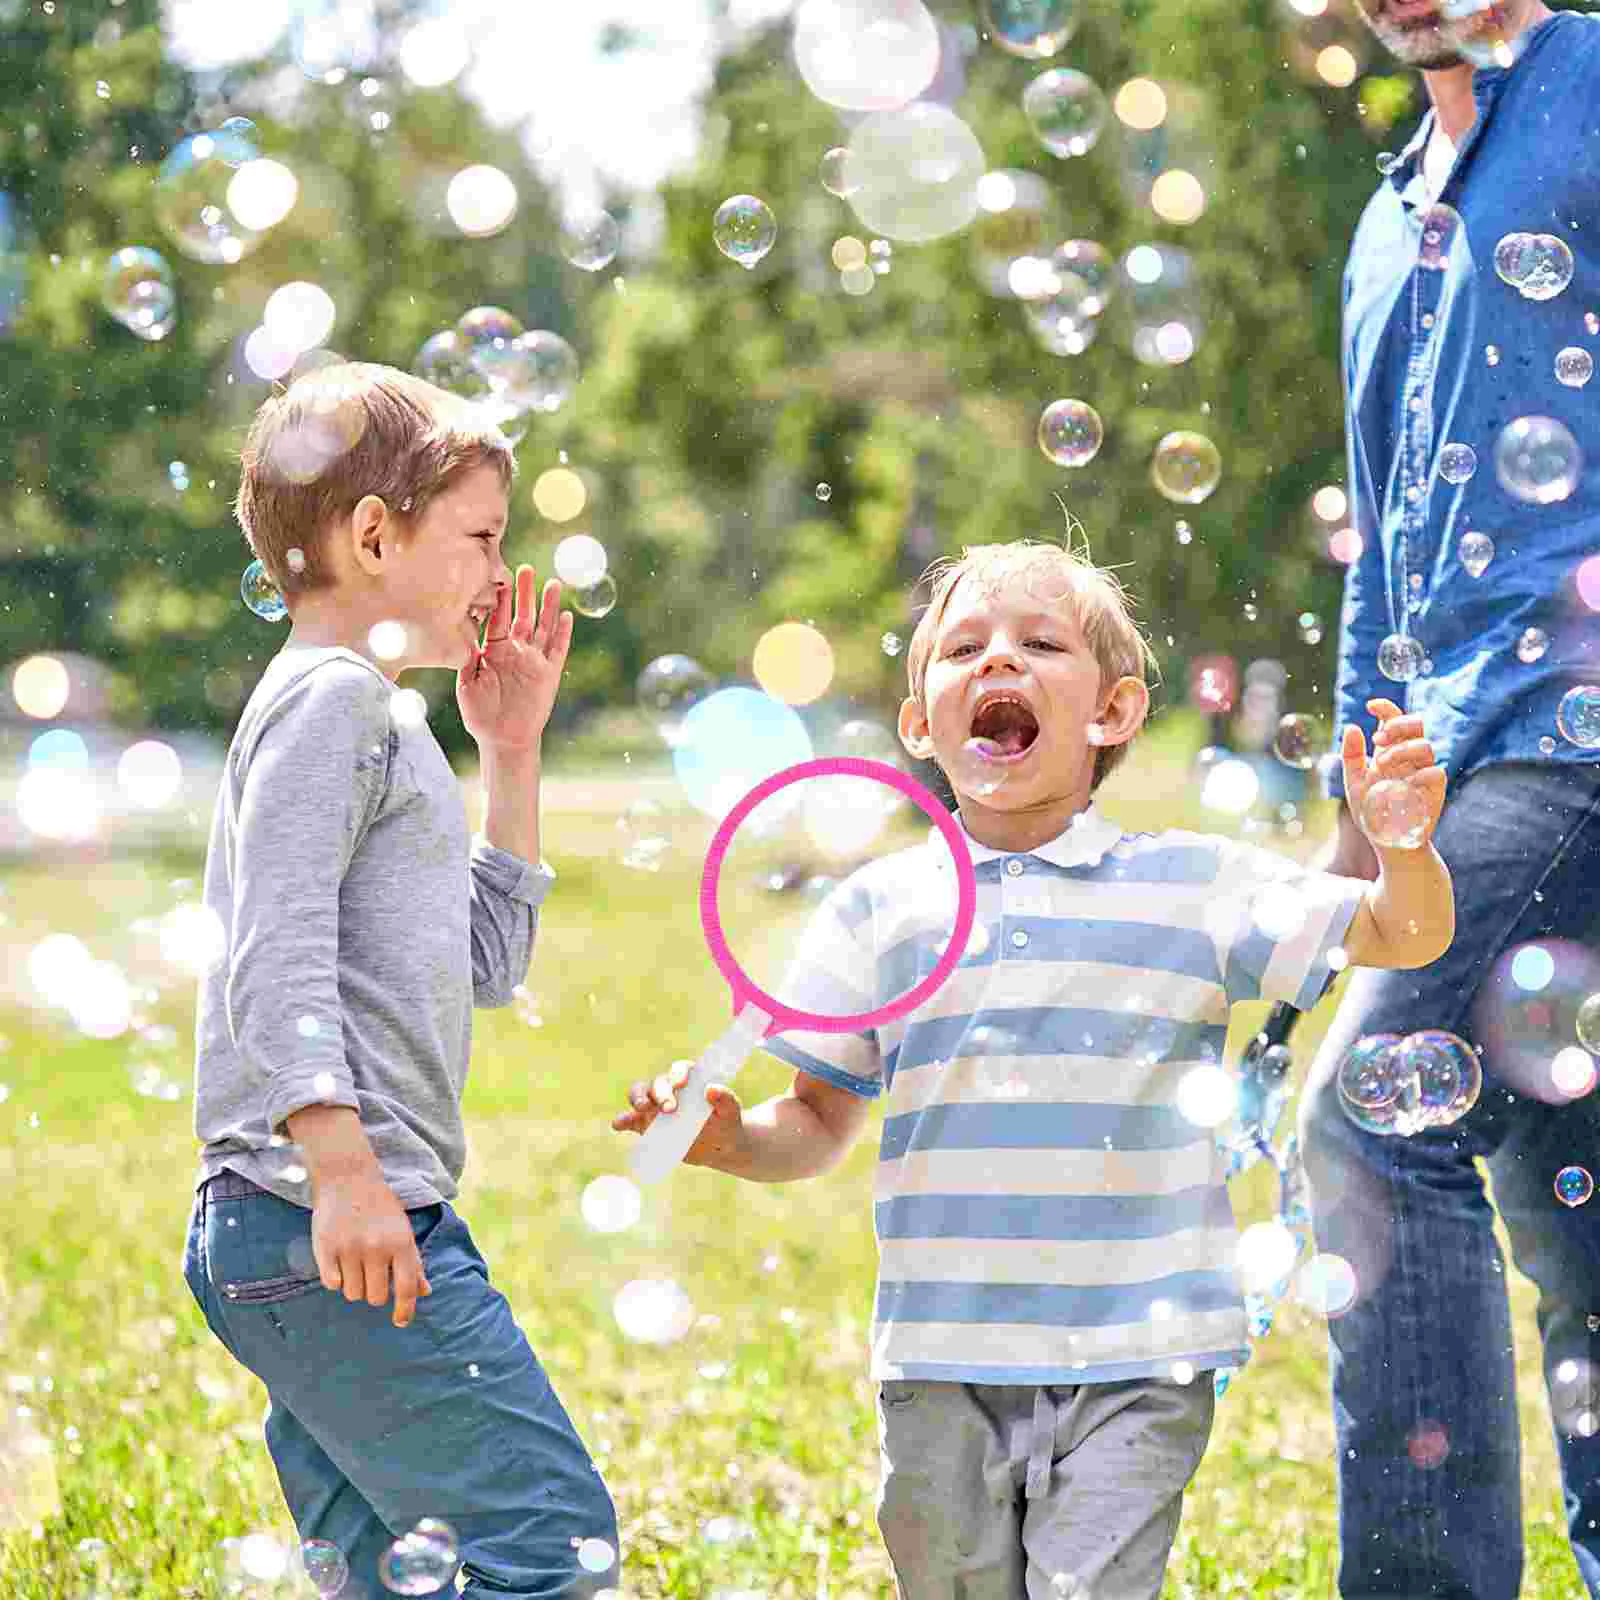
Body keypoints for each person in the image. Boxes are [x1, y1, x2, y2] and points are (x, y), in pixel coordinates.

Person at [616, 539, 1455, 1600]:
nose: (998, 661)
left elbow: (1400, 934)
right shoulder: (878, 908)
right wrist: (730, 1137)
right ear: (921, 721)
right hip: (939, 1353)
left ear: (1111, 710)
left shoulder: (1193, 885)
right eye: (964, 646)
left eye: (1039, 643)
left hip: (1138, 1355)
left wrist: (1404, 849)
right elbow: (815, 1118)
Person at [180, 365, 617, 1599]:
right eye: (480, 538)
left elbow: (489, 963)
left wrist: (512, 750)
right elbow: (270, 952)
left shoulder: (385, 716)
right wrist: (342, 1167)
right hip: (324, 1214)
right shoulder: (329, 704)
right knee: (551, 1539)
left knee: (388, 1581)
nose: (496, 572)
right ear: (373, 535)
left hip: (318, 1220)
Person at [1301, 1, 1600, 1594]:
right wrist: (1359, 829)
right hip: (1457, 764)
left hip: (1580, 733)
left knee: (1371, 1128)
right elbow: (1391, 547)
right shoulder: (1385, 207)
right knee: (1582, 1226)